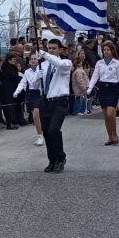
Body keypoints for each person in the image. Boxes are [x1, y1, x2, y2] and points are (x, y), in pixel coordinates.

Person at [39, 38, 73, 173]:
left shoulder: (65, 62)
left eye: (54, 48)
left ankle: (60, 158)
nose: (51, 50)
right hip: (46, 101)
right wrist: (37, 77)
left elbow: (59, 64)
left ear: (60, 50)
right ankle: (52, 160)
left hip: (60, 102)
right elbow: (36, 84)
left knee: (54, 130)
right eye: (49, 48)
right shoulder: (43, 65)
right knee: (47, 132)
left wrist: (44, 54)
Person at [85, 40, 119, 146]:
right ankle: (110, 137)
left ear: (112, 51)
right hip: (103, 89)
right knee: (106, 116)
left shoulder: (117, 63)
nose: (106, 52)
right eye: (104, 50)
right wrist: (90, 87)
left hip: (113, 89)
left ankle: (115, 134)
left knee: (110, 114)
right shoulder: (99, 63)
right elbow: (95, 76)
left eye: (108, 50)